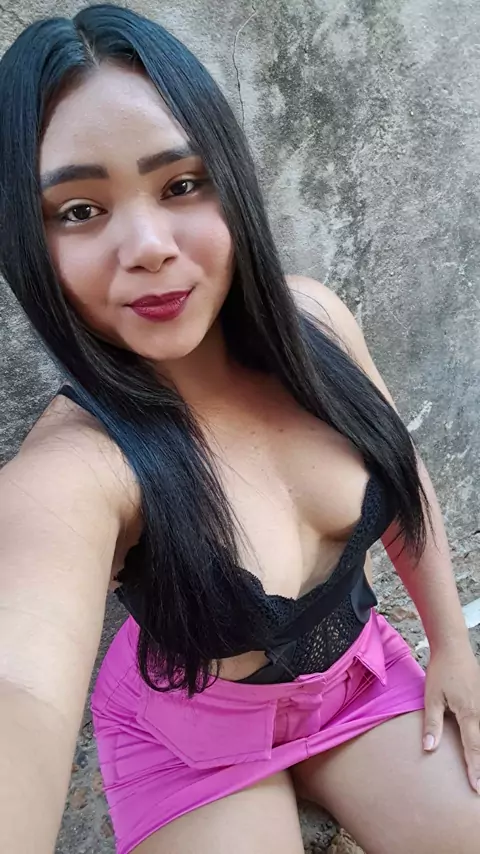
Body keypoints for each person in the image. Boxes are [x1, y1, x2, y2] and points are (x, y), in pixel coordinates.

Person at [0, 4, 479, 853]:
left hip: (358, 683)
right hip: (186, 746)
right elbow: (20, 690)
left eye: (181, 184)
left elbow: (403, 474)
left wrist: (451, 645)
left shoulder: (317, 323)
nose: (147, 245)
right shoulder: (77, 469)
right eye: (78, 210)